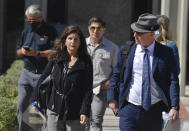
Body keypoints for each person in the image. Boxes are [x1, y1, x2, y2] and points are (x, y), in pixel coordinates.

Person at [107, 13, 180, 131]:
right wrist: (112, 98)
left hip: (155, 112)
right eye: (134, 31)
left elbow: (173, 81)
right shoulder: (126, 50)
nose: (135, 35)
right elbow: (116, 75)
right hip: (129, 109)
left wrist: (174, 107)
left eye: (139, 33)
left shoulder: (166, 53)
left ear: (152, 34)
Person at [33, 25, 93, 131]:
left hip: (75, 111)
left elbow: (88, 89)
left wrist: (85, 110)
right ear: (65, 41)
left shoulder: (86, 62)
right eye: (70, 38)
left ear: (80, 42)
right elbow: (44, 76)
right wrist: (36, 96)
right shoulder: (56, 56)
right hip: (54, 108)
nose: (72, 42)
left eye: (76, 39)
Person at [16, 4, 57, 131]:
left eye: (33, 20)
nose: (31, 22)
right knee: (21, 106)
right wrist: (22, 51)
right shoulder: (26, 30)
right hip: (26, 73)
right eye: (29, 20)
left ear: (41, 17)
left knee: (37, 108)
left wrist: (38, 53)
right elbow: (17, 51)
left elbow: (55, 52)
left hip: (42, 75)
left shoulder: (50, 30)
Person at [86, 17, 119, 131]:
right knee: (82, 121)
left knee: (95, 122)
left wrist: (110, 82)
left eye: (99, 28)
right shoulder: (80, 44)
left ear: (104, 30)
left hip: (99, 90)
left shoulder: (112, 48)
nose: (95, 31)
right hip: (81, 89)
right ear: (88, 29)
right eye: (93, 28)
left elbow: (117, 70)